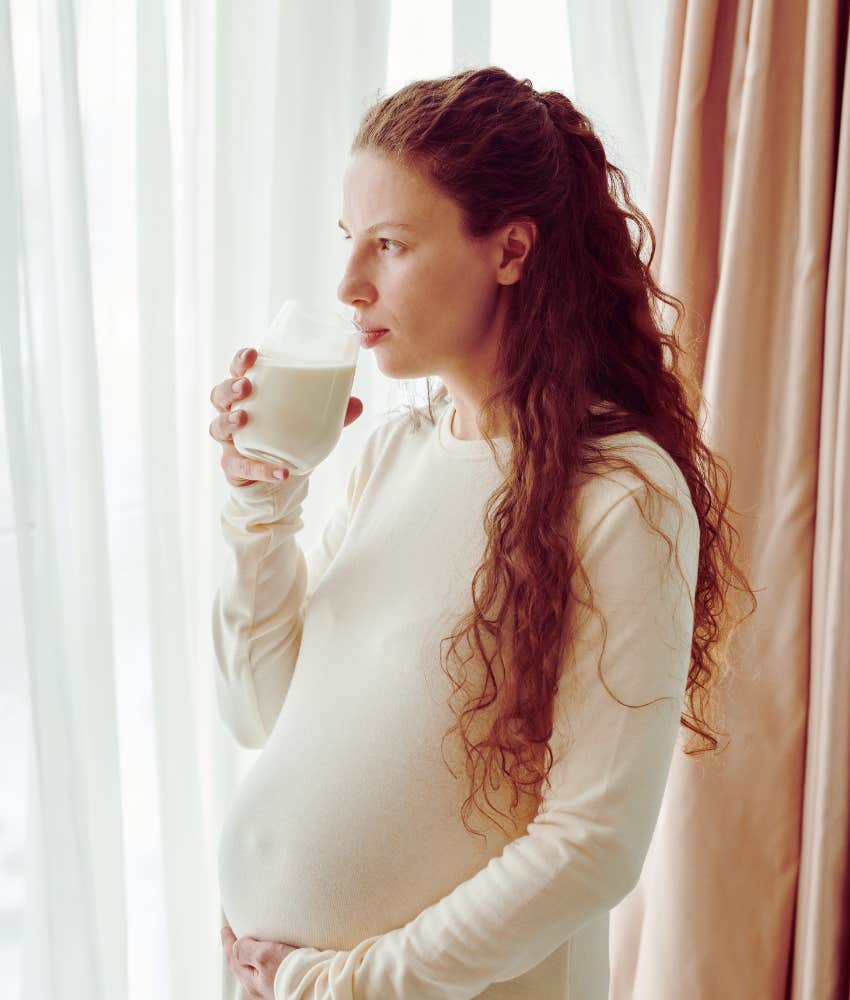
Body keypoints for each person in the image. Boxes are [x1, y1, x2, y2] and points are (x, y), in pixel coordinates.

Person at [208, 66, 755, 1000]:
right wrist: (266, 505)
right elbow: (263, 713)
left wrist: (345, 984)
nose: (349, 284)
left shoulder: (621, 494)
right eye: (350, 241)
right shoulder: (393, 455)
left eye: (390, 245)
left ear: (510, 249)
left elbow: (591, 847)